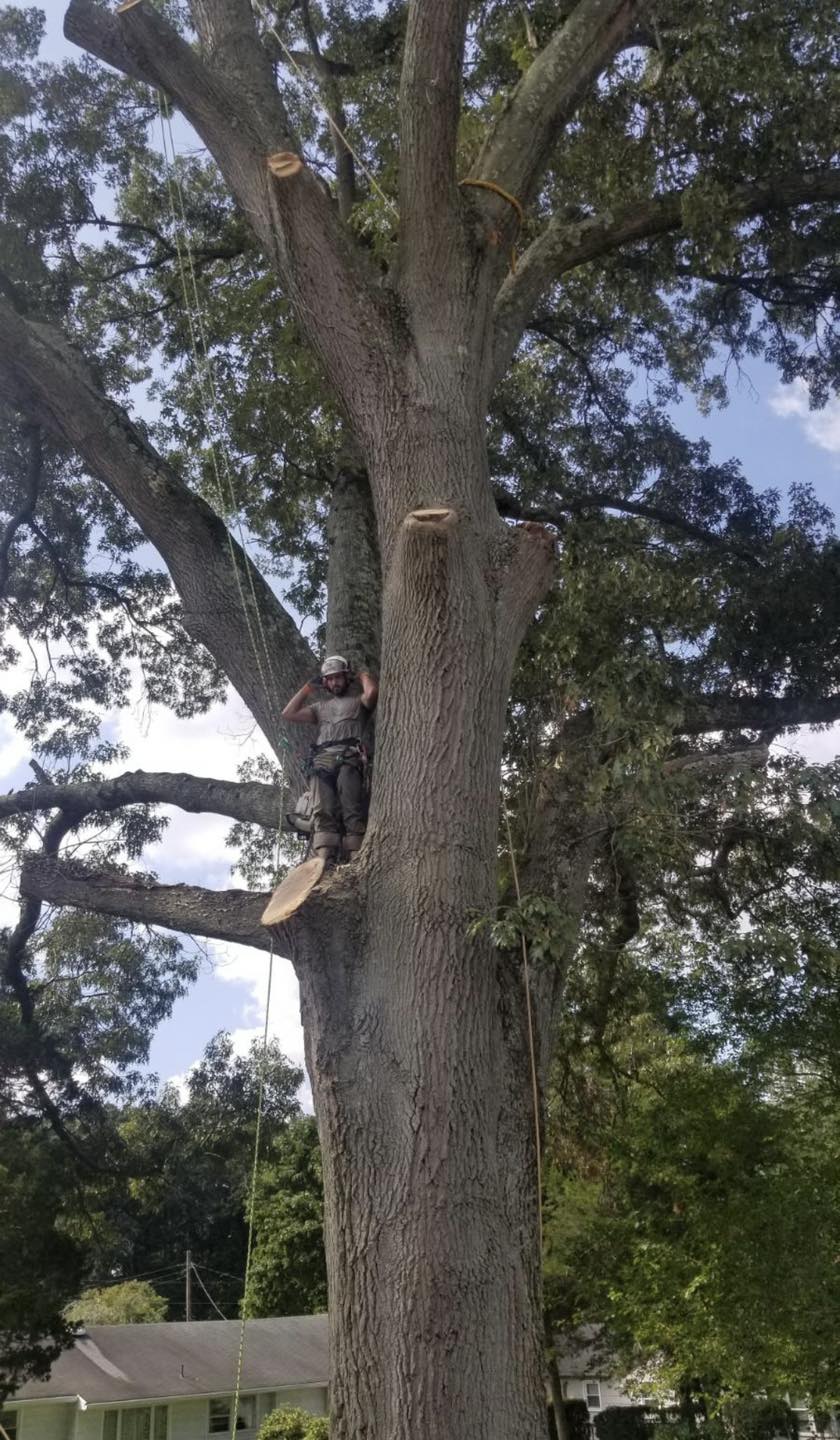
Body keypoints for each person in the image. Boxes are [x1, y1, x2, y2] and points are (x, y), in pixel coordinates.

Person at [281, 656, 379, 862]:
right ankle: (323, 857)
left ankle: (355, 855)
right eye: (330, 679)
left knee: (351, 806)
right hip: (322, 760)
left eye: (338, 678)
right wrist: (308, 687)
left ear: (346, 677)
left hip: (349, 757)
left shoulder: (358, 702)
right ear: (325, 682)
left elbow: (371, 693)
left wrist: (361, 675)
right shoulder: (319, 708)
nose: (335, 683)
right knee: (322, 809)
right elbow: (288, 713)